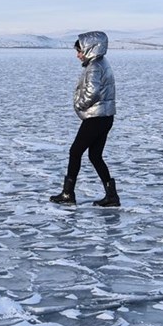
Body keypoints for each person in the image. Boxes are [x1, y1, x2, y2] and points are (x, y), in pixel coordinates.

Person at [49, 31, 120, 207]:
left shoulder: (95, 66)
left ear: (89, 49)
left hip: (96, 117)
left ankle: (68, 193)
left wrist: (79, 104)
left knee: (75, 152)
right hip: (105, 116)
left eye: (79, 51)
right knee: (95, 156)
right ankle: (111, 195)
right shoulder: (101, 62)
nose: (78, 55)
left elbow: (92, 92)